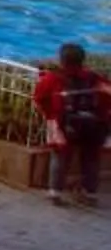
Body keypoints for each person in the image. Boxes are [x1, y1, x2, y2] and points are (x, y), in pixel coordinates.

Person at [35, 42, 106, 207]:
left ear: (61, 60)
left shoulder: (52, 78)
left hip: (63, 124)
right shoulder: (94, 78)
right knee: (91, 159)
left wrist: (50, 116)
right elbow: (107, 97)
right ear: (82, 60)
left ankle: (55, 192)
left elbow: (39, 98)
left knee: (60, 157)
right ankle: (90, 193)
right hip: (93, 126)